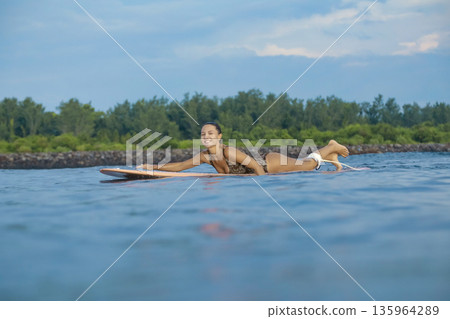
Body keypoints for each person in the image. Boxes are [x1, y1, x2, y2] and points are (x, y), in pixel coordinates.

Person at [138, 122, 349, 175]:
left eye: (210, 134)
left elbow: (256, 168)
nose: (206, 137)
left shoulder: (228, 151)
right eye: (203, 134)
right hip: (265, 166)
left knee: (309, 166)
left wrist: (264, 189)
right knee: (309, 165)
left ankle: (331, 146)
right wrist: (152, 167)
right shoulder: (204, 157)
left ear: (219, 137)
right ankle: (332, 155)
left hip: (269, 164)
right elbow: (178, 167)